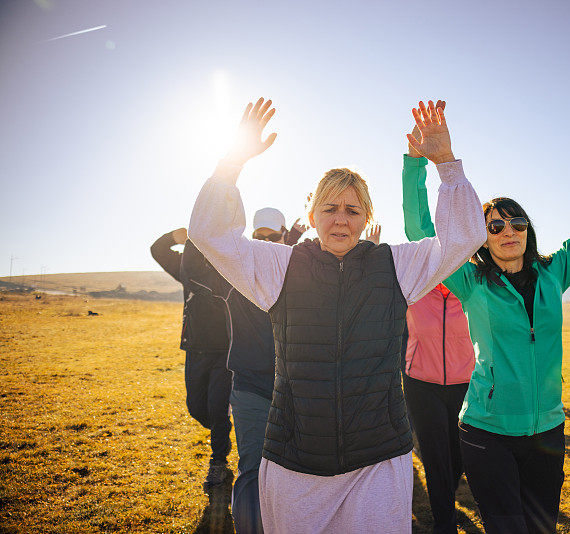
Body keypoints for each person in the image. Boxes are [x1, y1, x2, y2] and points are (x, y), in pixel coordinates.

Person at [188, 97, 485, 533]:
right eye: (330, 209)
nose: (341, 220)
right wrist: (232, 161)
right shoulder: (282, 266)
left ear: (367, 218)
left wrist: (446, 164)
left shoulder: (395, 266)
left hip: (379, 462)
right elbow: (209, 234)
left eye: (352, 210)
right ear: (312, 215)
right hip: (295, 464)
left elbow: (464, 237)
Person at [402, 104, 570, 533]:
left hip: (547, 430)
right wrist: (416, 166)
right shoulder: (471, 282)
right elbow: (421, 233)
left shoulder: (554, 271)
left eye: (516, 221)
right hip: (487, 432)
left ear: (528, 229)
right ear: (483, 238)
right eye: (495, 225)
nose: (508, 230)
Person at [181, 208, 307, 533]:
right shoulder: (234, 276)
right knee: (251, 472)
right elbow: (198, 257)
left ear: (284, 238)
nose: (264, 243)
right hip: (250, 390)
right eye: (258, 237)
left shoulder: (303, 275)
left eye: (272, 237)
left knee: (296, 473)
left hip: (295, 391)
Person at [401, 101, 475, 534]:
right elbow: (416, 221)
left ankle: (450, 495)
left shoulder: (473, 284)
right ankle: (444, 522)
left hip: (468, 383)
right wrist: (415, 165)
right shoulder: (420, 276)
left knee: (460, 455)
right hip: (421, 384)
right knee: (436, 459)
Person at [150, 228, 233, 491]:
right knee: (197, 408)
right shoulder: (187, 267)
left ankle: (219, 462)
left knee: (218, 409)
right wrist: (177, 237)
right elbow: (157, 251)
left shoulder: (228, 267)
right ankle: (223, 425)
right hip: (195, 349)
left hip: (225, 352)